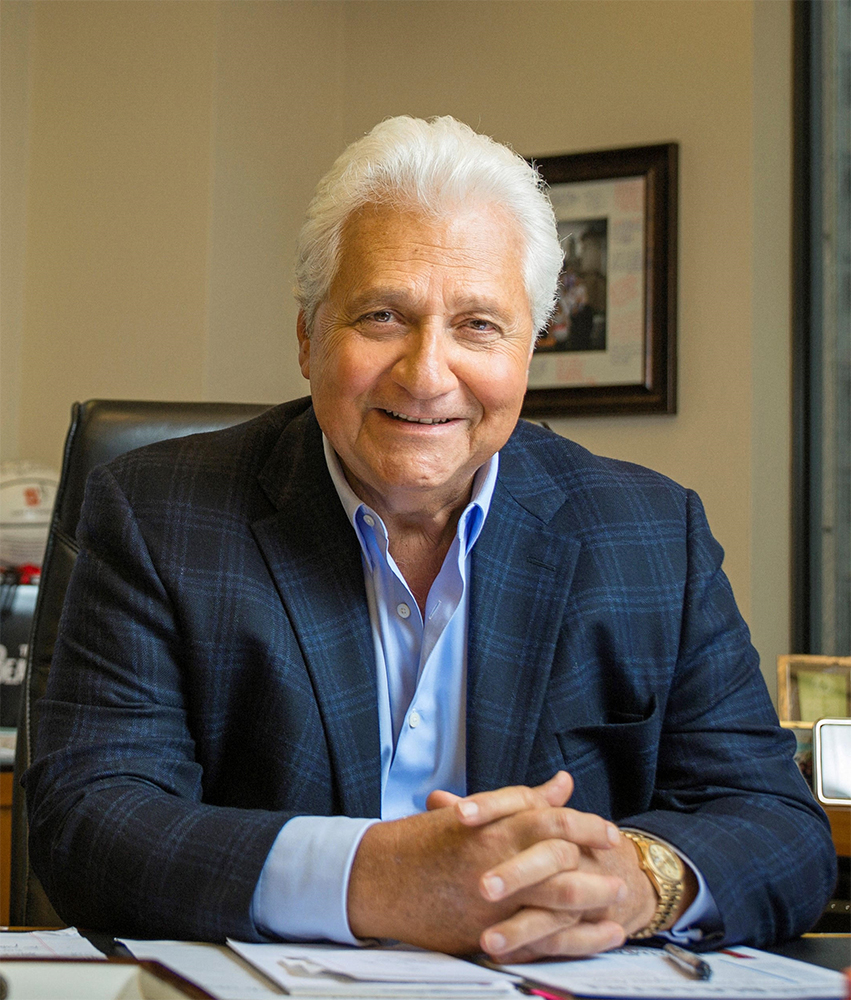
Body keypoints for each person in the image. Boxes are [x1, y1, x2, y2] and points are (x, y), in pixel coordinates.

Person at [26, 116, 835, 960]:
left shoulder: (650, 535)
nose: (425, 373)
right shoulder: (160, 511)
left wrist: (639, 880)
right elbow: (90, 823)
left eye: (479, 325)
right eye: (382, 316)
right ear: (307, 338)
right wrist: (372, 877)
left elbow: (779, 828)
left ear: (529, 350)